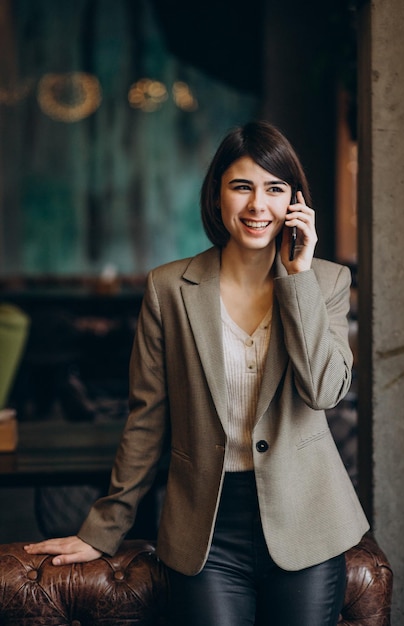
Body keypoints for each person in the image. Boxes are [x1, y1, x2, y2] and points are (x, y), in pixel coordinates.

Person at [25, 120, 369, 625]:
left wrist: (299, 280)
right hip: (207, 531)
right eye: (241, 187)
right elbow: (146, 418)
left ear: (295, 202)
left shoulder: (327, 281)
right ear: (216, 197)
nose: (258, 205)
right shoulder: (169, 288)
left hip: (307, 525)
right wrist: (102, 529)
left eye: (274, 189)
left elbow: (324, 391)